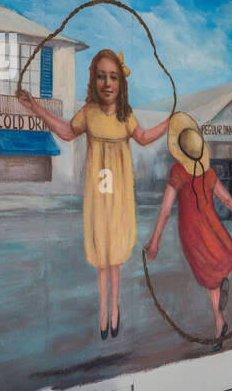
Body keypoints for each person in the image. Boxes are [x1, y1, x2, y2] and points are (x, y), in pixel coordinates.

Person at [18, 48, 168, 341]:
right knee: (101, 252)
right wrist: (36, 108)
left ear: (121, 83)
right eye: (102, 77)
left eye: (113, 77)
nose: (108, 83)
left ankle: (115, 308)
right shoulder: (88, 113)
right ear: (93, 80)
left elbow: (144, 137)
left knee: (115, 253)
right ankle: (103, 310)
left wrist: (171, 121)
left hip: (120, 193)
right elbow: (66, 131)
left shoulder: (126, 115)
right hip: (98, 192)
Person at [143, 112, 232, 346]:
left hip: (191, 232)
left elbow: (165, 210)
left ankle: (219, 320)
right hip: (211, 225)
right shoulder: (209, 173)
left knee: (209, 277)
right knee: (218, 266)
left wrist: (155, 242)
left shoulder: (178, 172)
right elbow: (227, 200)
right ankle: (219, 321)